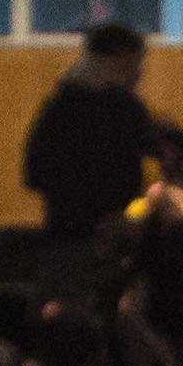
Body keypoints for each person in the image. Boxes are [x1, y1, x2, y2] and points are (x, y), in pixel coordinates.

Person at [23, 18, 158, 249]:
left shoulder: (59, 108)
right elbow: (37, 172)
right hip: (78, 238)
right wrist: (114, 216)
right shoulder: (118, 108)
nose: (138, 73)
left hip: (82, 233)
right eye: (134, 64)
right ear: (115, 60)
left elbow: (34, 173)